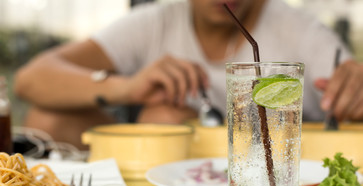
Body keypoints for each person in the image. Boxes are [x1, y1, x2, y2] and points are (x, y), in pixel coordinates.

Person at [14, 0, 363, 149]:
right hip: (167, 184)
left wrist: (355, 89)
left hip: (271, 184)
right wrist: (129, 88)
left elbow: (351, 88)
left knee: (164, 116)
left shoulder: (297, 28)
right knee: (49, 116)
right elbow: (30, 78)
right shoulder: (157, 21)